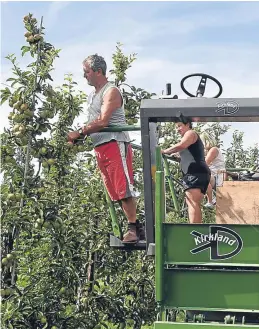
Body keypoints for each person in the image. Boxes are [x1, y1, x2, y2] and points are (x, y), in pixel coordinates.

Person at [67, 54, 144, 244]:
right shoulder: (92, 95)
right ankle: (136, 226)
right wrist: (80, 136)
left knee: (122, 188)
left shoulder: (111, 91)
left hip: (114, 143)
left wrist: (79, 131)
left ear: (98, 71)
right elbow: (93, 122)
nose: (84, 75)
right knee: (114, 191)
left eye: (87, 72)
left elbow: (102, 121)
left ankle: (133, 229)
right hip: (100, 147)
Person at [161, 117, 211, 223]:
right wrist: (177, 156)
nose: (177, 129)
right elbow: (189, 154)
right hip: (198, 171)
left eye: (179, 126)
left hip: (194, 171)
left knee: (192, 203)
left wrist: (165, 151)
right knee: (194, 202)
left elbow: (181, 145)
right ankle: (196, 229)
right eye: (176, 127)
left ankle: (194, 230)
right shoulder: (191, 138)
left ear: (187, 124)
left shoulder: (190, 133)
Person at [202, 132, 226, 209]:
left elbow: (204, 163)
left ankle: (210, 201)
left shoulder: (213, 150)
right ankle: (210, 199)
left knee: (202, 176)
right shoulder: (209, 151)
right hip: (215, 176)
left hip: (218, 177)